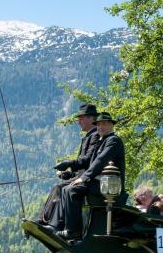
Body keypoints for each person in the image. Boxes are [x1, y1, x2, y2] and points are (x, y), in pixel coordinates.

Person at [54, 112, 125, 240]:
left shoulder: (114, 141)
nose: (100, 127)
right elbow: (89, 164)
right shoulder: (102, 142)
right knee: (65, 188)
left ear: (111, 125)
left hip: (108, 187)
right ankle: (62, 226)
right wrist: (72, 174)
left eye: (104, 124)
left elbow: (100, 162)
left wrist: (83, 178)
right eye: (98, 125)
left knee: (72, 190)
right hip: (98, 183)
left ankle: (73, 231)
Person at [39, 103, 100, 226]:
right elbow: (84, 165)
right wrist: (70, 174)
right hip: (82, 177)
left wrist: (69, 163)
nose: (78, 122)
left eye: (81, 118)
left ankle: (53, 223)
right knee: (57, 188)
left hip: (88, 180)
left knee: (59, 188)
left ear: (91, 118)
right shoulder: (89, 136)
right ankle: (47, 221)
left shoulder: (95, 136)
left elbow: (88, 160)